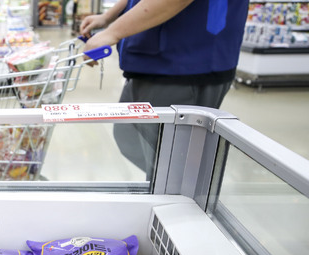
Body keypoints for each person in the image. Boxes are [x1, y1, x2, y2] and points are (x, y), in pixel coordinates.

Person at [79, 0, 249, 179]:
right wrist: (108, 16)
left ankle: (174, 193)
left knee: (169, 167)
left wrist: (112, 32)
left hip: (185, 61)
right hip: (152, 60)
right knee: (130, 138)